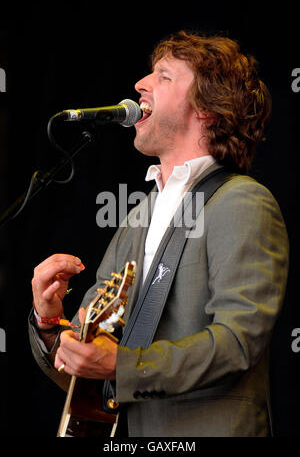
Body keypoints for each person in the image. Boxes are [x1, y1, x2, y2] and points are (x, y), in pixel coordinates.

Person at [29, 31, 289, 437]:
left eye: (164, 77)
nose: (140, 85)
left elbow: (239, 343)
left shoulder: (243, 202)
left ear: (208, 109)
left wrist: (122, 364)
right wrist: (49, 324)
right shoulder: (140, 214)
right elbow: (89, 368)